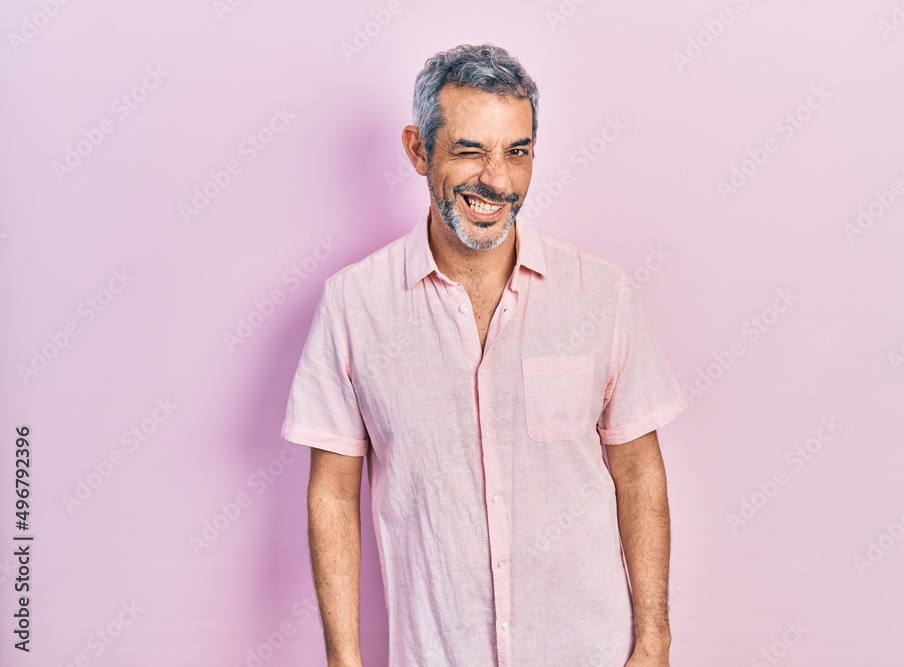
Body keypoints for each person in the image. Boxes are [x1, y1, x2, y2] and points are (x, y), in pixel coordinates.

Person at [281, 42, 689, 667]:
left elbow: (637, 468)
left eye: (517, 152)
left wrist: (654, 637)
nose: (497, 180)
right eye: (470, 150)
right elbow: (333, 491)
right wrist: (344, 660)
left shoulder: (600, 295)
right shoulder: (353, 305)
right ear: (419, 150)